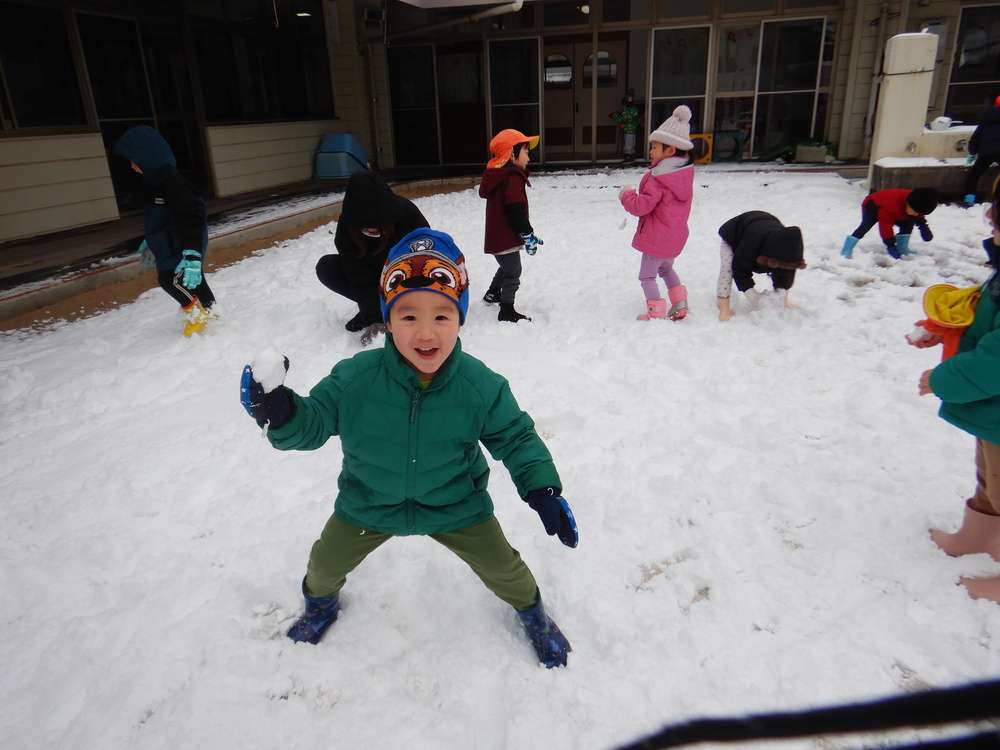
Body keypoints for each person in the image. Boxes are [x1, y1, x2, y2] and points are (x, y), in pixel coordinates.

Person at [239, 228, 578, 666]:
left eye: (442, 316)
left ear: (460, 319)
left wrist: (542, 488)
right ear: (387, 318)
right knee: (324, 564)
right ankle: (320, 606)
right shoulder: (356, 378)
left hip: (455, 504)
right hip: (369, 502)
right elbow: (315, 421)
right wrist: (282, 413)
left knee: (504, 568)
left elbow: (515, 436)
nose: (426, 333)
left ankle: (534, 615)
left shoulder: (479, 385)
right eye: (408, 316)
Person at [919, 180, 1000, 605]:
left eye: (997, 225)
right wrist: (948, 329)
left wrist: (942, 378)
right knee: (990, 477)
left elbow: (995, 359)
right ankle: (976, 536)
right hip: (994, 413)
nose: (991, 232)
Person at [112, 125, 216, 336]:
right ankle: (212, 310)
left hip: (184, 243)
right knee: (194, 280)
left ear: (148, 157)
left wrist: (193, 254)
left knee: (169, 279)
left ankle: (196, 314)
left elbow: (193, 219)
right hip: (169, 241)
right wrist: (152, 239)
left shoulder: (174, 185)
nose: (132, 166)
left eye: (134, 160)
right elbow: (160, 217)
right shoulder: (153, 184)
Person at [316, 170, 429, 346]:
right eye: (365, 226)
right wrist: (374, 318)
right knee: (327, 267)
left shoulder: (406, 214)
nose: (372, 230)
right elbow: (357, 273)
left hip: (408, 277)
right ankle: (377, 308)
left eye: (378, 224)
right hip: (374, 275)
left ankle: (396, 311)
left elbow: (426, 261)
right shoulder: (348, 224)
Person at [618, 105, 695, 321]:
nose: (651, 152)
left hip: (657, 239)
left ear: (670, 150)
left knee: (647, 276)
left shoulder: (659, 179)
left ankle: (655, 312)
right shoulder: (682, 176)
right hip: (675, 238)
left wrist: (627, 195)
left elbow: (641, 207)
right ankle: (680, 303)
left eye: (654, 147)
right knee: (666, 269)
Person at [479, 129, 543, 323]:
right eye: (526, 152)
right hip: (505, 235)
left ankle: (493, 293)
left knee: (507, 266)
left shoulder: (500, 176)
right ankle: (506, 310)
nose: (529, 158)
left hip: (499, 235)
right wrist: (528, 234)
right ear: (512, 155)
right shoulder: (511, 178)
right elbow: (515, 210)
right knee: (513, 271)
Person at [716, 211, 807, 322]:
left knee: (786, 270)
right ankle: (724, 309)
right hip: (735, 234)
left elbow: (787, 273)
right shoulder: (750, 246)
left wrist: (780, 293)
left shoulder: (788, 248)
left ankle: (784, 300)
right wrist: (753, 297)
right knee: (728, 268)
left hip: (764, 228)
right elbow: (740, 269)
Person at [840, 187, 938, 260]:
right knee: (866, 226)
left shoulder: (916, 202)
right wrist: (890, 245)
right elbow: (885, 226)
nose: (916, 214)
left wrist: (923, 226)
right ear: (908, 203)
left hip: (899, 209)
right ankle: (847, 249)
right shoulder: (890, 207)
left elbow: (918, 214)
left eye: (919, 213)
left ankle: (903, 248)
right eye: (915, 211)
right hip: (872, 205)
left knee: (908, 223)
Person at [963, 95, 1000, 207]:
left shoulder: (987, 119)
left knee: (974, 175)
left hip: (986, 153)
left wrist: (972, 152)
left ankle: (969, 198)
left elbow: (975, 138)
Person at [610, 88, 641, 166]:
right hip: (633, 129)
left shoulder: (628, 111)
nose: (622, 107)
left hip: (628, 130)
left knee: (628, 143)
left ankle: (628, 157)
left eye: (623, 106)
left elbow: (622, 119)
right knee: (631, 143)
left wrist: (613, 116)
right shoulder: (634, 110)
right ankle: (631, 155)